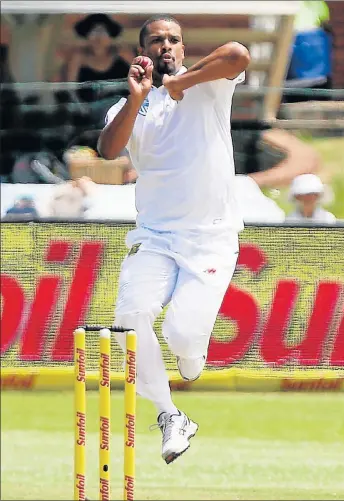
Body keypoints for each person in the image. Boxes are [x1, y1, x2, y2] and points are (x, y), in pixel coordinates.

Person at [98, 15, 250, 464]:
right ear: (141, 51)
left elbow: (238, 54)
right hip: (156, 235)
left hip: (212, 236)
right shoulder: (133, 102)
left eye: (174, 40)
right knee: (129, 314)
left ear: (183, 49)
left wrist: (184, 82)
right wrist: (139, 96)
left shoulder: (208, 83)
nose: (166, 45)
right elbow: (108, 150)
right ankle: (169, 415)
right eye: (156, 40)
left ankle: (191, 352)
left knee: (181, 336)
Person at [66, 14, 130, 101]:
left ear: (110, 36)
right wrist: (80, 108)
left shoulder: (122, 53)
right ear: (87, 35)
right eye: (94, 32)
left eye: (103, 32)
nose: (98, 38)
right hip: (89, 109)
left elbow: (140, 79)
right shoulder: (79, 57)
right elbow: (71, 89)